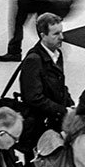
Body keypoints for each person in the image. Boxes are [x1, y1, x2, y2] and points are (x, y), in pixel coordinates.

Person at [18, 13, 74, 156]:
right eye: (56, 34)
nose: (61, 37)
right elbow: (33, 97)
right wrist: (62, 110)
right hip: (38, 127)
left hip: (53, 123)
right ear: (43, 35)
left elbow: (60, 85)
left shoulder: (57, 54)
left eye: (61, 32)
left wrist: (70, 103)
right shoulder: (34, 60)